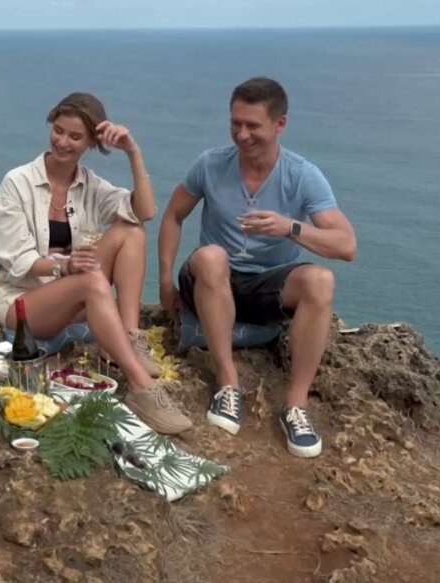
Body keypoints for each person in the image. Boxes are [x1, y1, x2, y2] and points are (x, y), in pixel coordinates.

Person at [156, 77, 357, 457]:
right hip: (209, 280)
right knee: (212, 257)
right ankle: (227, 382)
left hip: (266, 286)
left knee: (320, 280)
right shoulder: (210, 164)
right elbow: (173, 216)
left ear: (280, 124)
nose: (242, 135)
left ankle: (295, 406)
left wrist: (290, 227)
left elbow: (346, 245)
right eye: (235, 123)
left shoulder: (302, 175)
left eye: (253, 126)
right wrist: (165, 280)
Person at [0, 92, 191, 435]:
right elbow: (16, 259)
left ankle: (131, 337)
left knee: (132, 231)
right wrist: (65, 267)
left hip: (75, 292)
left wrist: (133, 151)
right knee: (93, 282)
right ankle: (142, 388)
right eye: (58, 130)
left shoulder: (89, 185)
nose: (62, 142)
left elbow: (144, 211)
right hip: (23, 302)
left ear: (91, 142)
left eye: (75, 136)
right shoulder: (17, 183)